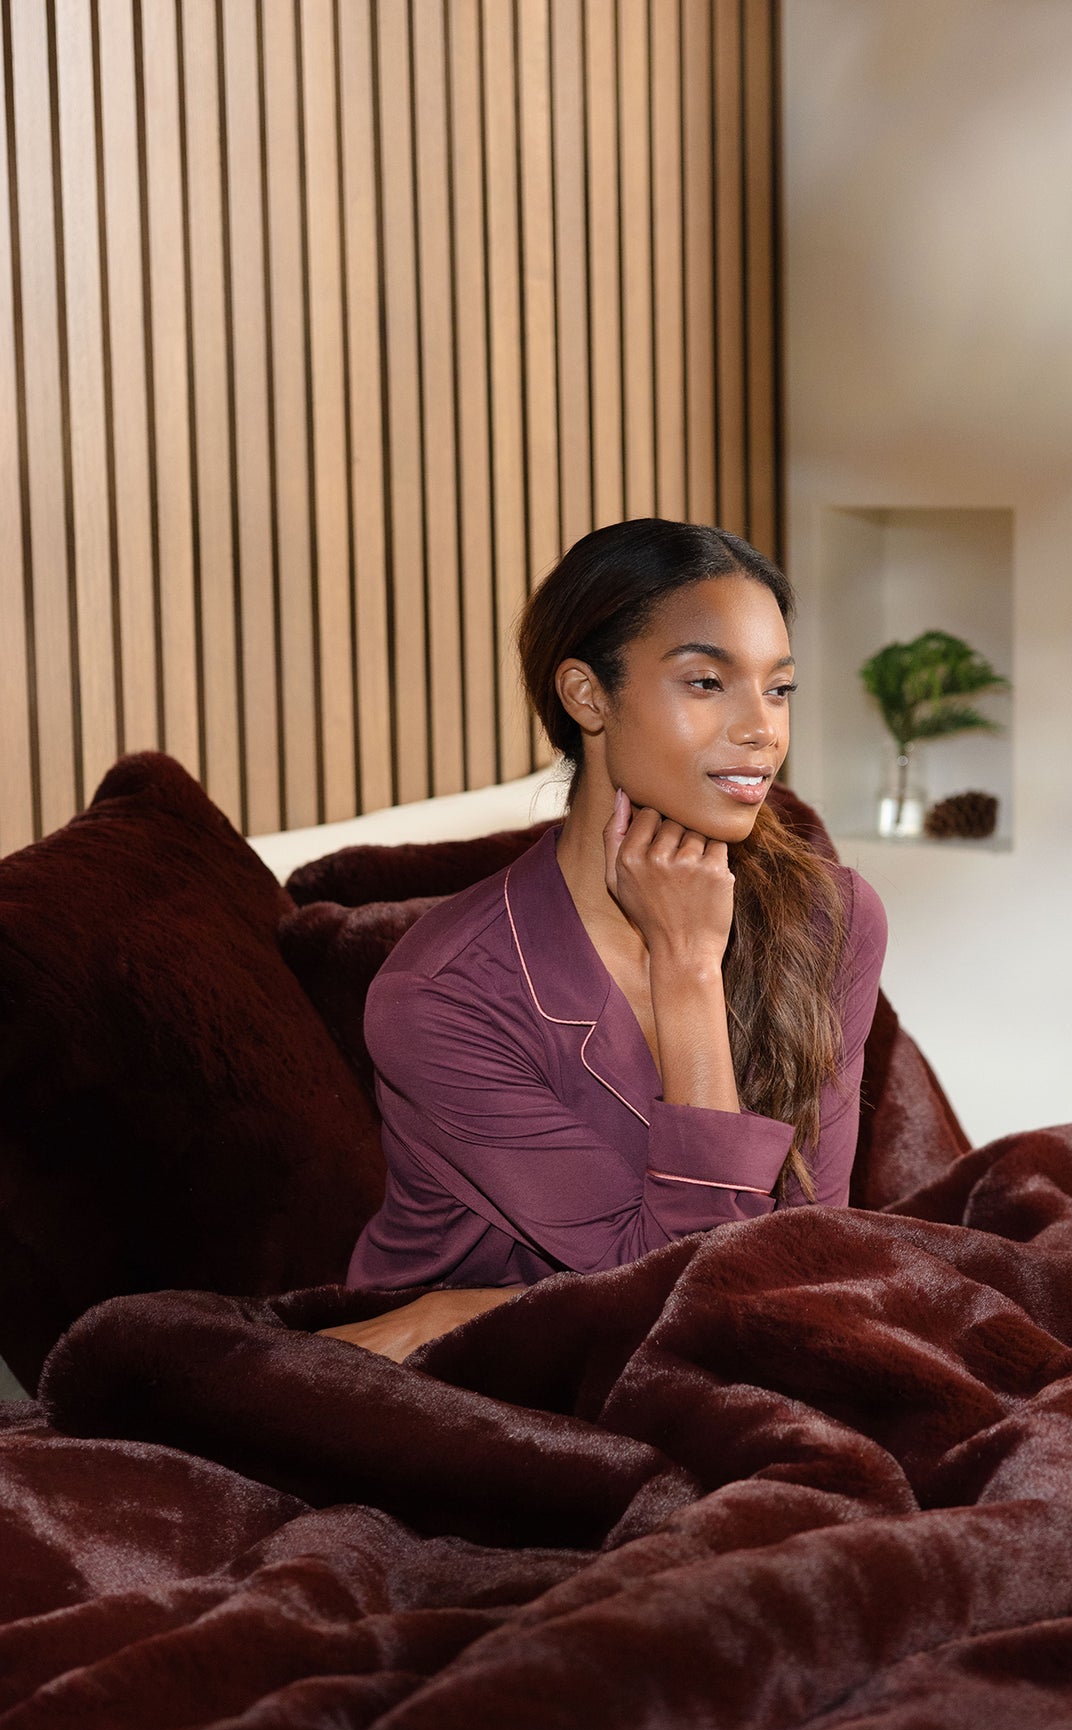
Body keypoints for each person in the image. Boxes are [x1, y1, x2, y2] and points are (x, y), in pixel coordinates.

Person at [321, 518, 889, 1362]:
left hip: (669, 1350)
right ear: (587, 696)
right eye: (707, 683)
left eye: (779, 688)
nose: (763, 729)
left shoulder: (829, 918)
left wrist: (474, 1306)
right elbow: (685, 1292)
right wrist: (690, 969)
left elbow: (802, 1255)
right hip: (464, 1392)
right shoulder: (440, 996)